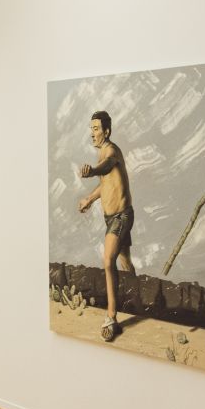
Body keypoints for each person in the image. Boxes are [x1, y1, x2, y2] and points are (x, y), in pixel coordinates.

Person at [76, 110, 137, 341]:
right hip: (112, 219)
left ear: (106, 131)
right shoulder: (102, 152)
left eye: (96, 129)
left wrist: (92, 171)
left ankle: (111, 317)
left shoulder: (111, 151)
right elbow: (107, 184)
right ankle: (137, 296)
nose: (92, 133)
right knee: (125, 262)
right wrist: (89, 199)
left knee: (107, 261)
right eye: (91, 129)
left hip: (121, 217)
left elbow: (107, 166)